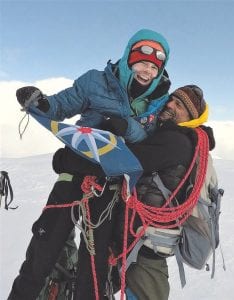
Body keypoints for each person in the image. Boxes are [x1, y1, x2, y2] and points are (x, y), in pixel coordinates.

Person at [8, 28, 171, 300]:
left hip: (111, 185)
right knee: (45, 244)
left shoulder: (159, 99)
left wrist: (127, 127)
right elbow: (61, 105)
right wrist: (39, 103)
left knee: (94, 263)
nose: (147, 71)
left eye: (154, 67)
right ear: (129, 58)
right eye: (142, 62)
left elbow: (155, 136)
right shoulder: (95, 81)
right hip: (74, 171)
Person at [52, 85, 215, 300]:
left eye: (179, 105)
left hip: (144, 245)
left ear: (191, 117)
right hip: (144, 240)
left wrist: (68, 161)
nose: (170, 105)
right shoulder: (185, 139)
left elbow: (123, 162)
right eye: (172, 100)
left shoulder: (176, 141)